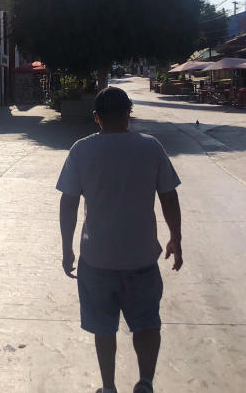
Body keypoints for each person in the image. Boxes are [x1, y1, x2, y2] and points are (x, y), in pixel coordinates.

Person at [57, 86, 183, 393]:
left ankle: (109, 387)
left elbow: (69, 203)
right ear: (129, 114)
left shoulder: (81, 150)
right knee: (147, 323)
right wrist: (175, 239)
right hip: (141, 257)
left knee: (104, 328)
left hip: (97, 259)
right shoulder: (150, 147)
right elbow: (169, 196)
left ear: (97, 117)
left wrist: (67, 249)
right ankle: (145, 383)